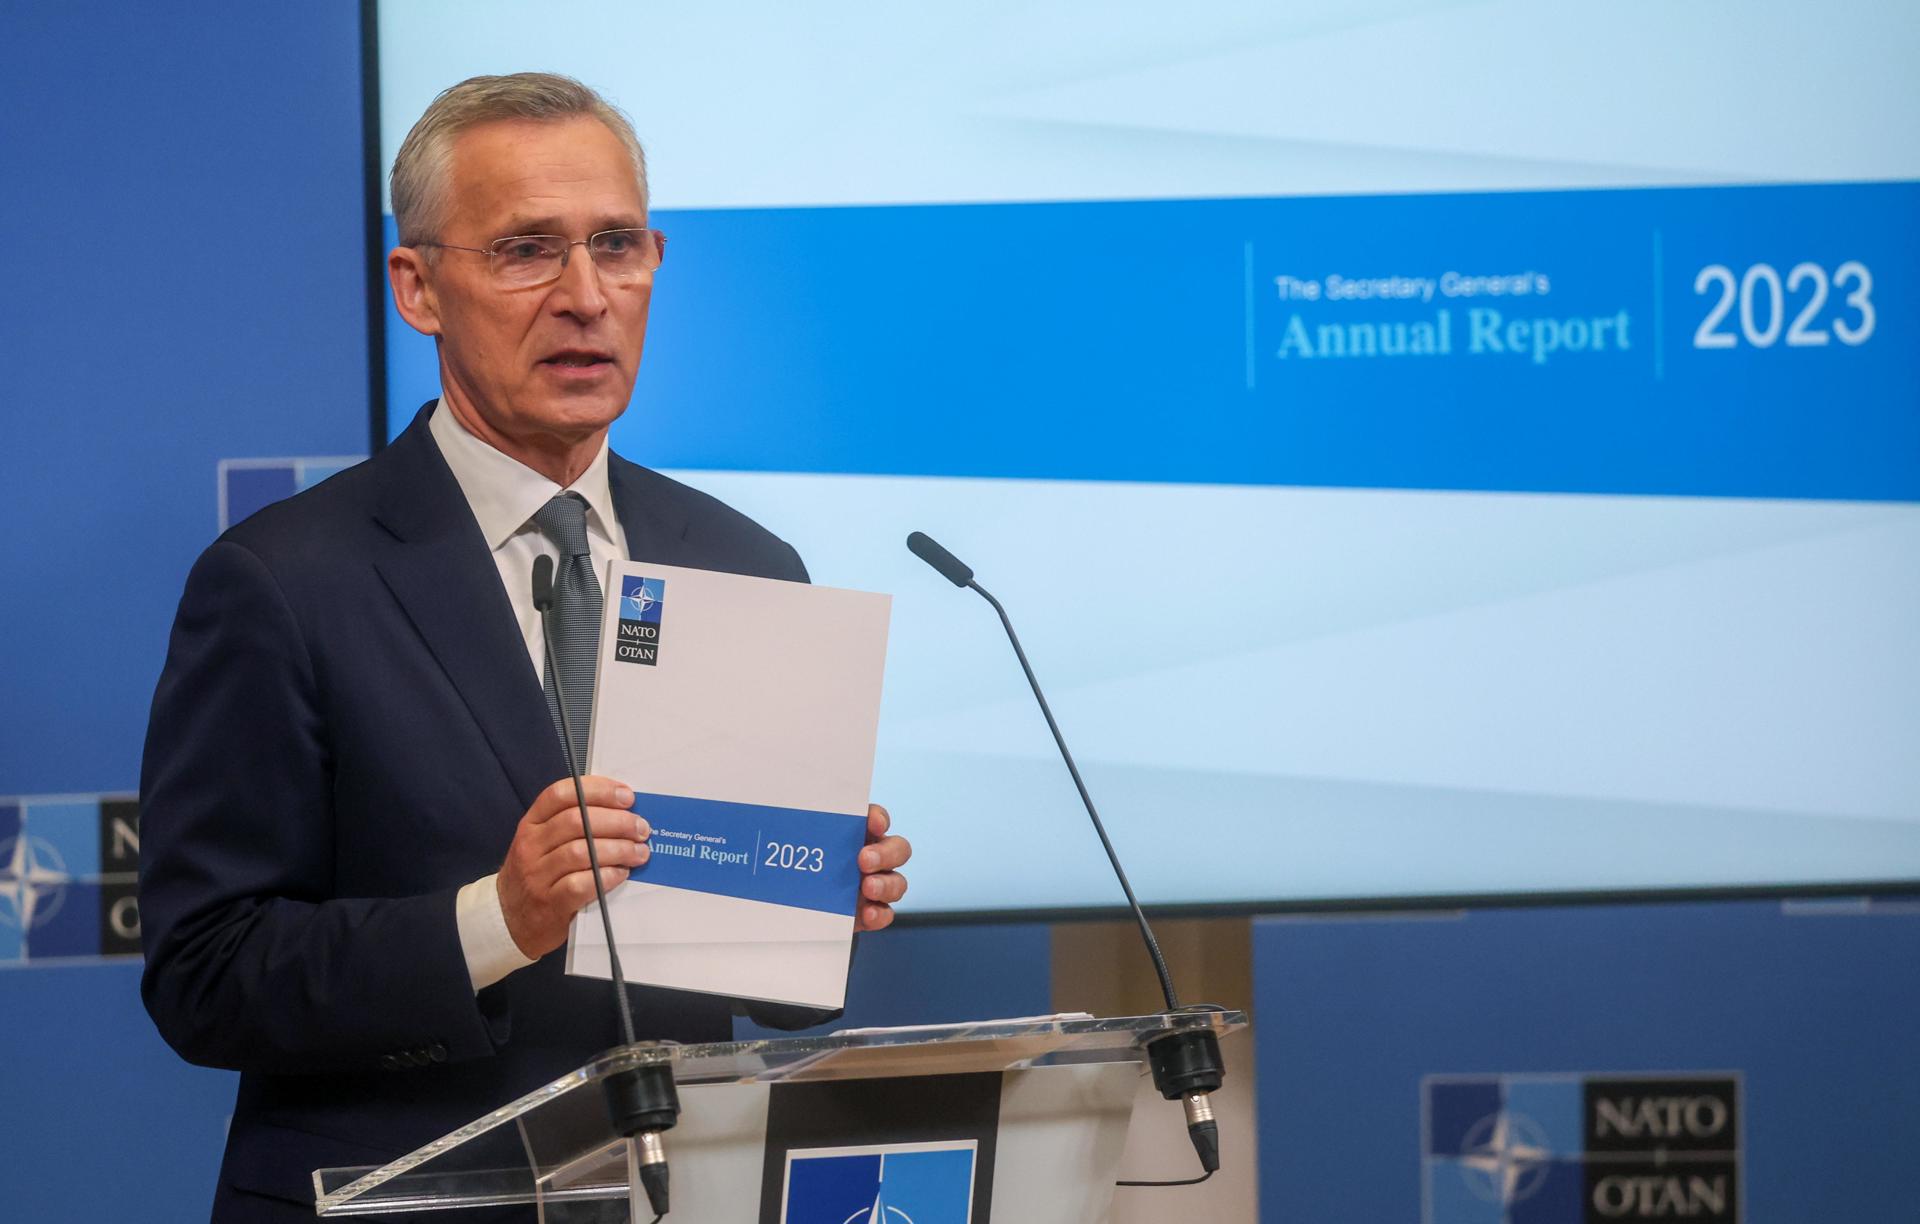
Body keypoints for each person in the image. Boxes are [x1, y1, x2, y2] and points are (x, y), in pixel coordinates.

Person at [138, 73, 911, 1221]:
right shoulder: (282, 583)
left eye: (616, 245)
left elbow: (778, 1000)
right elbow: (206, 975)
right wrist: (498, 919)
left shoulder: (745, 563)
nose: (586, 296)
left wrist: (810, 909)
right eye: (526, 251)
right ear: (419, 287)